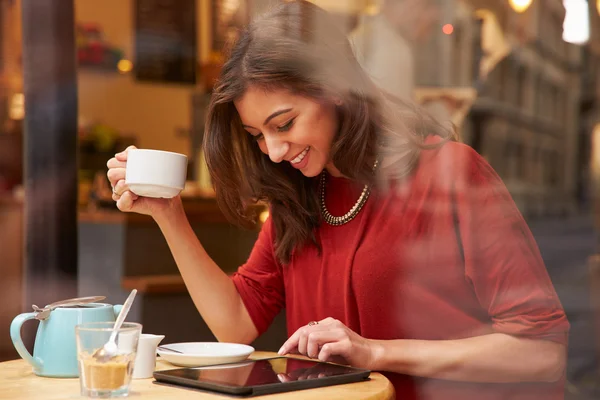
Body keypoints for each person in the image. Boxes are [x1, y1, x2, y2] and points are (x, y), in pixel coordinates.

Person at [107, 1, 569, 399]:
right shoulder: (300, 196)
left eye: (284, 124)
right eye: (256, 135)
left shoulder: (449, 175)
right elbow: (236, 324)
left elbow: (541, 352)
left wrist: (375, 351)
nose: (273, 150)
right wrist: (168, 214)